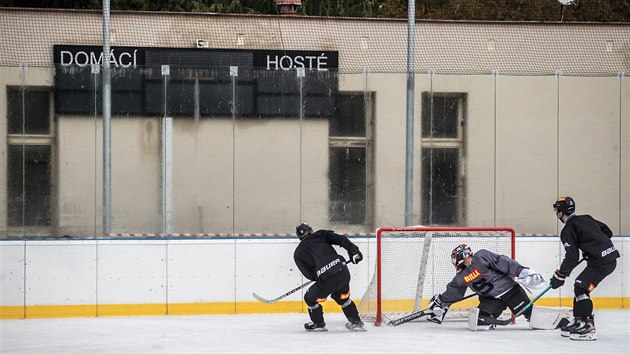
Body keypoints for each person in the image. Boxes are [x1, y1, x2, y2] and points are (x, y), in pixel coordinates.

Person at [426, 244, 546, 330]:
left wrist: (522, 271)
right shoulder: (460, 277)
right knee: (480, 321)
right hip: (491, 299)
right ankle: (491, 319)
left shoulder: (481, 256)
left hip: (510, 291)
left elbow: (504, 262)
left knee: (532, 315)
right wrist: (441, 301)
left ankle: (559, 321)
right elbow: (454, 293)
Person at [550, 196, 620, 341]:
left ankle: (587, 326)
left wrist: (560, 275)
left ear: (561, 212)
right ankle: (578, 320)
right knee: (579, 286)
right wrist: (595, 247)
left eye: (557, 211)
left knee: (581, 288)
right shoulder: (587, 218)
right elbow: (608, 231)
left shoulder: (567, 230)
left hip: (601, 262)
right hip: (608, 258)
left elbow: (572, 257)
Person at [293, 222, 365, 332]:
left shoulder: (298, 253)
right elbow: (342, 240)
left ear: (299, 237)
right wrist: (353, 251)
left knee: (310, 298)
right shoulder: (320, 234)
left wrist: (321, 275)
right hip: (342, 272)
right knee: (342, 297)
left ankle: (318, 324)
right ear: (311, 230)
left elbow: (310, 276)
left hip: (326, 281)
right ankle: (356, 322)